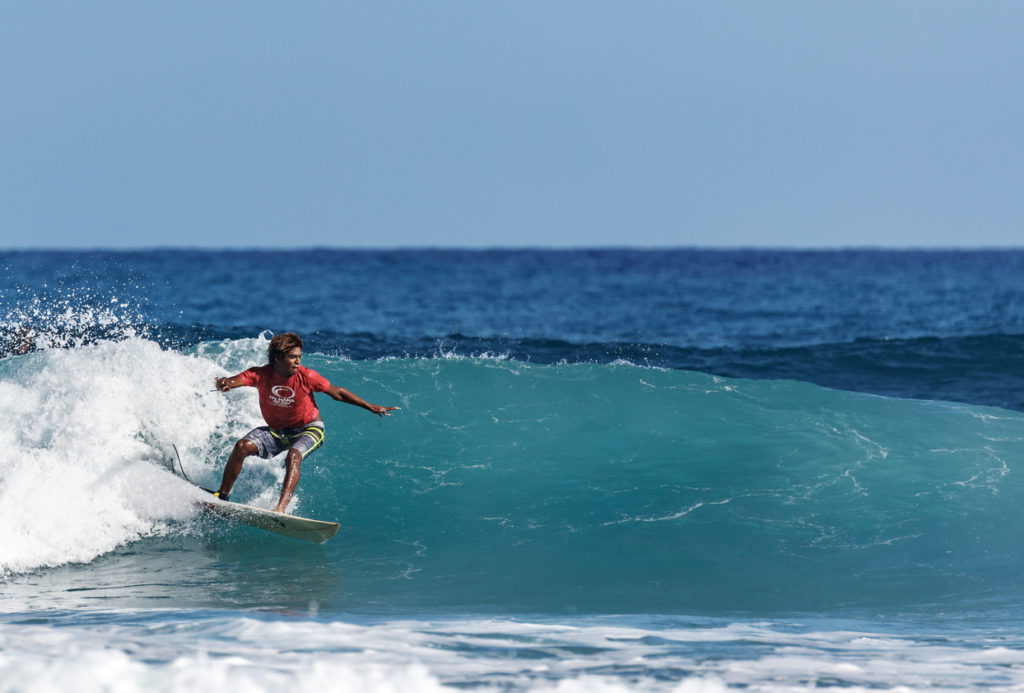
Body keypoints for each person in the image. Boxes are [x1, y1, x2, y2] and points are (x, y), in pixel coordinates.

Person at [213, 332, 397, 513]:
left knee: (293, 456)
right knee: (241, 446)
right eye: (293, 357)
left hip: (309, 429)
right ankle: (223, 496)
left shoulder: (307, 376)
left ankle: (280, 508)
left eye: (299, 357)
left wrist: (370, 407)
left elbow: (337, 392)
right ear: (277, 357)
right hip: (277, 431)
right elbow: (233, 381)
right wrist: (224, 384)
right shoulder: (260, 374)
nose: (298, 361)